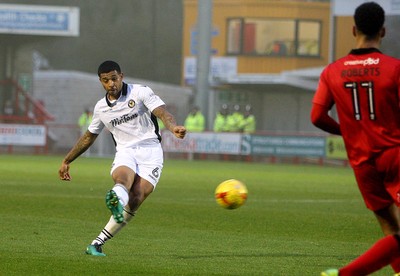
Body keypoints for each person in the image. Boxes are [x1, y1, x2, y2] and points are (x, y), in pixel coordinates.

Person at [58, 60, 186, 256]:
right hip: (125, 151)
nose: (111, 84)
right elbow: (89, 136)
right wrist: (67, 160)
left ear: (121, 76)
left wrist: (173, 127)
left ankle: (96, 243)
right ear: (101, 81)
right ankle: (116, 199)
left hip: (151, 151)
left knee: (136, 197)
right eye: (106, 80)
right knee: (123, 179)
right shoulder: (101, 108)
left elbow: (163, 113)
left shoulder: (140, 92)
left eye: (114, 78)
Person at [311, 2, 400, 275]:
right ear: (383, 31)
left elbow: (317, 116)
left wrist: (348, 132)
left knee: (390, 228)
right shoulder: (394, 68)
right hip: (395, 155)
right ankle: (347, 274)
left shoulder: (332, 71)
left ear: (353, 29)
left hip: (362, 162)